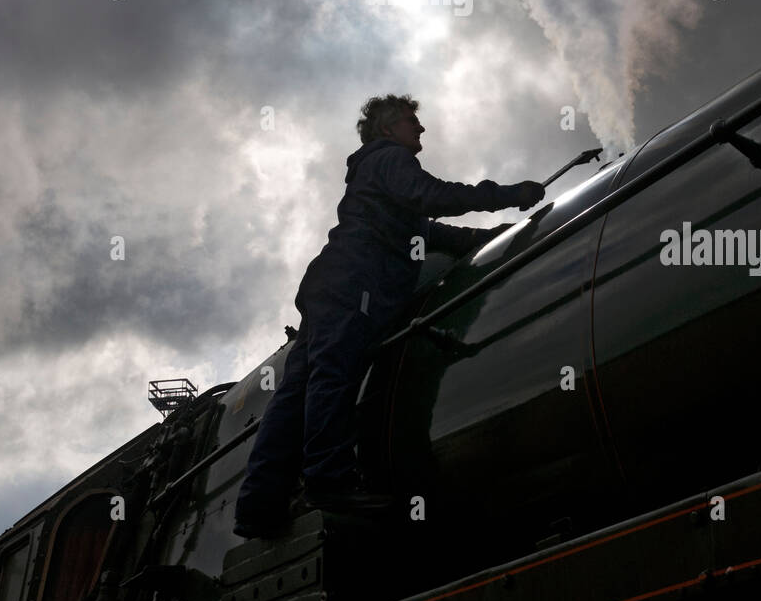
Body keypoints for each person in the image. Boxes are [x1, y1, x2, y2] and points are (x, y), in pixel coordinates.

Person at [233, 94, 544, 534]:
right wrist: (508, 195)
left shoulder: (379, 187)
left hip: (331, 281)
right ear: (387, 128)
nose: (421, 131)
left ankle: (259, 504)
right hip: (356, 278)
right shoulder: (389, 158)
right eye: (412, 122)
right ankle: (329, 480)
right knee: (333, 375)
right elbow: (431, 196)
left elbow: (433, 232)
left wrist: (491, 235)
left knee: (296, 389)